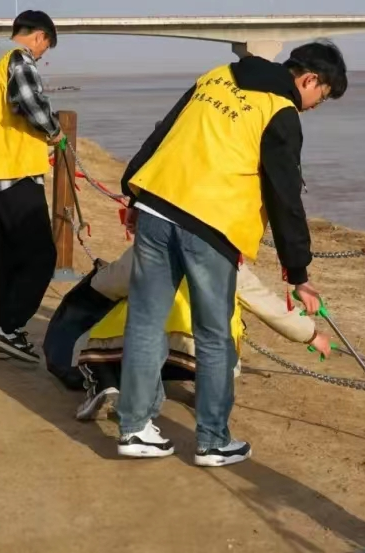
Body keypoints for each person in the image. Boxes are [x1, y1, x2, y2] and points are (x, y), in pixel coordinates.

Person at [116, 40, 348, 466]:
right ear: (310, 79)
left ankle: (134, 429)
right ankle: (212, 440)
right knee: (213, 335)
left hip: (156, 205)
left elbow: (163, 132)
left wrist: (134, 193)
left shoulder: (216, 77)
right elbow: (285, 196)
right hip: (210, 224)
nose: (316, 105)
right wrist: (298, 273)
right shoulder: (280, 109)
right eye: (322, 96)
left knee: (146, 323)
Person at [42, 248, 329, 421]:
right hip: (201, 351)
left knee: (102, 340)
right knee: (217, 338)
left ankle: (105, 386)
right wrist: (311, 335)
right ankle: (208, 395)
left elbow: (108, 284)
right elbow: (271, 307)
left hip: (137, 341)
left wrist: (97, 281)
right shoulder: (229, 260)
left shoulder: (152, 244)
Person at [0, 10, 63, 362]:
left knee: (2, 258)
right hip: (15, 171)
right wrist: (54, 131)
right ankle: (10, 327)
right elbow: (30, 104)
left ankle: (7, 332)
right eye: (45, 48)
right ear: (39, 36)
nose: (41, 55)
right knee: (41, 256)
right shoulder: (18, 58)